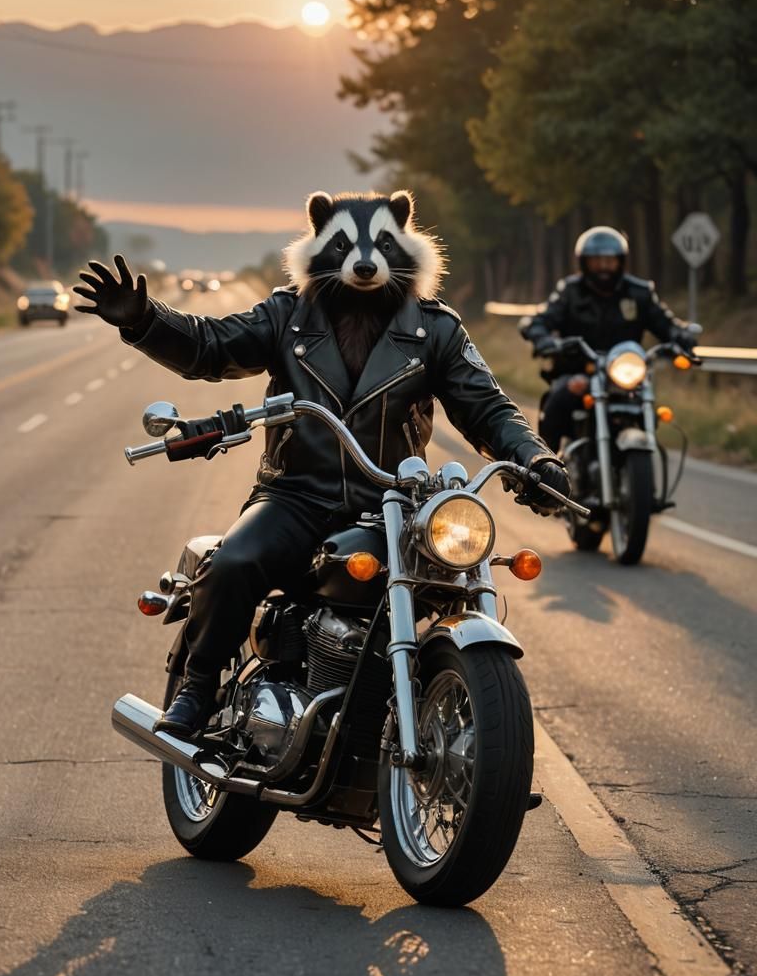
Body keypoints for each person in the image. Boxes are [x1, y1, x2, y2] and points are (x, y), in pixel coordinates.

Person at [74, 191, 568, 738]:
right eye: (345, 245)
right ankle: (198, 686)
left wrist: (535, 457)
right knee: (235, 561)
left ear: (403, 240)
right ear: (319, 242)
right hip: (294, 496)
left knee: (443, 580)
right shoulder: (288, 315)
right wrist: (146, 320)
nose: (363, 257)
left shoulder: (436, 330)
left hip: (393, 509)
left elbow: (489, 409)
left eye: (380, 244)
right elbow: (212, 347)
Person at [523, 226, 697, 451]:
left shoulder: (639, 293)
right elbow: (539, 321)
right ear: (584, 263)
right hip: (580, 370)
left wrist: (681, 335)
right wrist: (544, 339)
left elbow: (665, 323)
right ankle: (544, 469)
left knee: (647, 402)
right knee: (558, 399)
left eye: (609, 261)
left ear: (621, 261)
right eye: (597, 261)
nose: (603, 267)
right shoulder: (570, 292)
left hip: (624, 375)